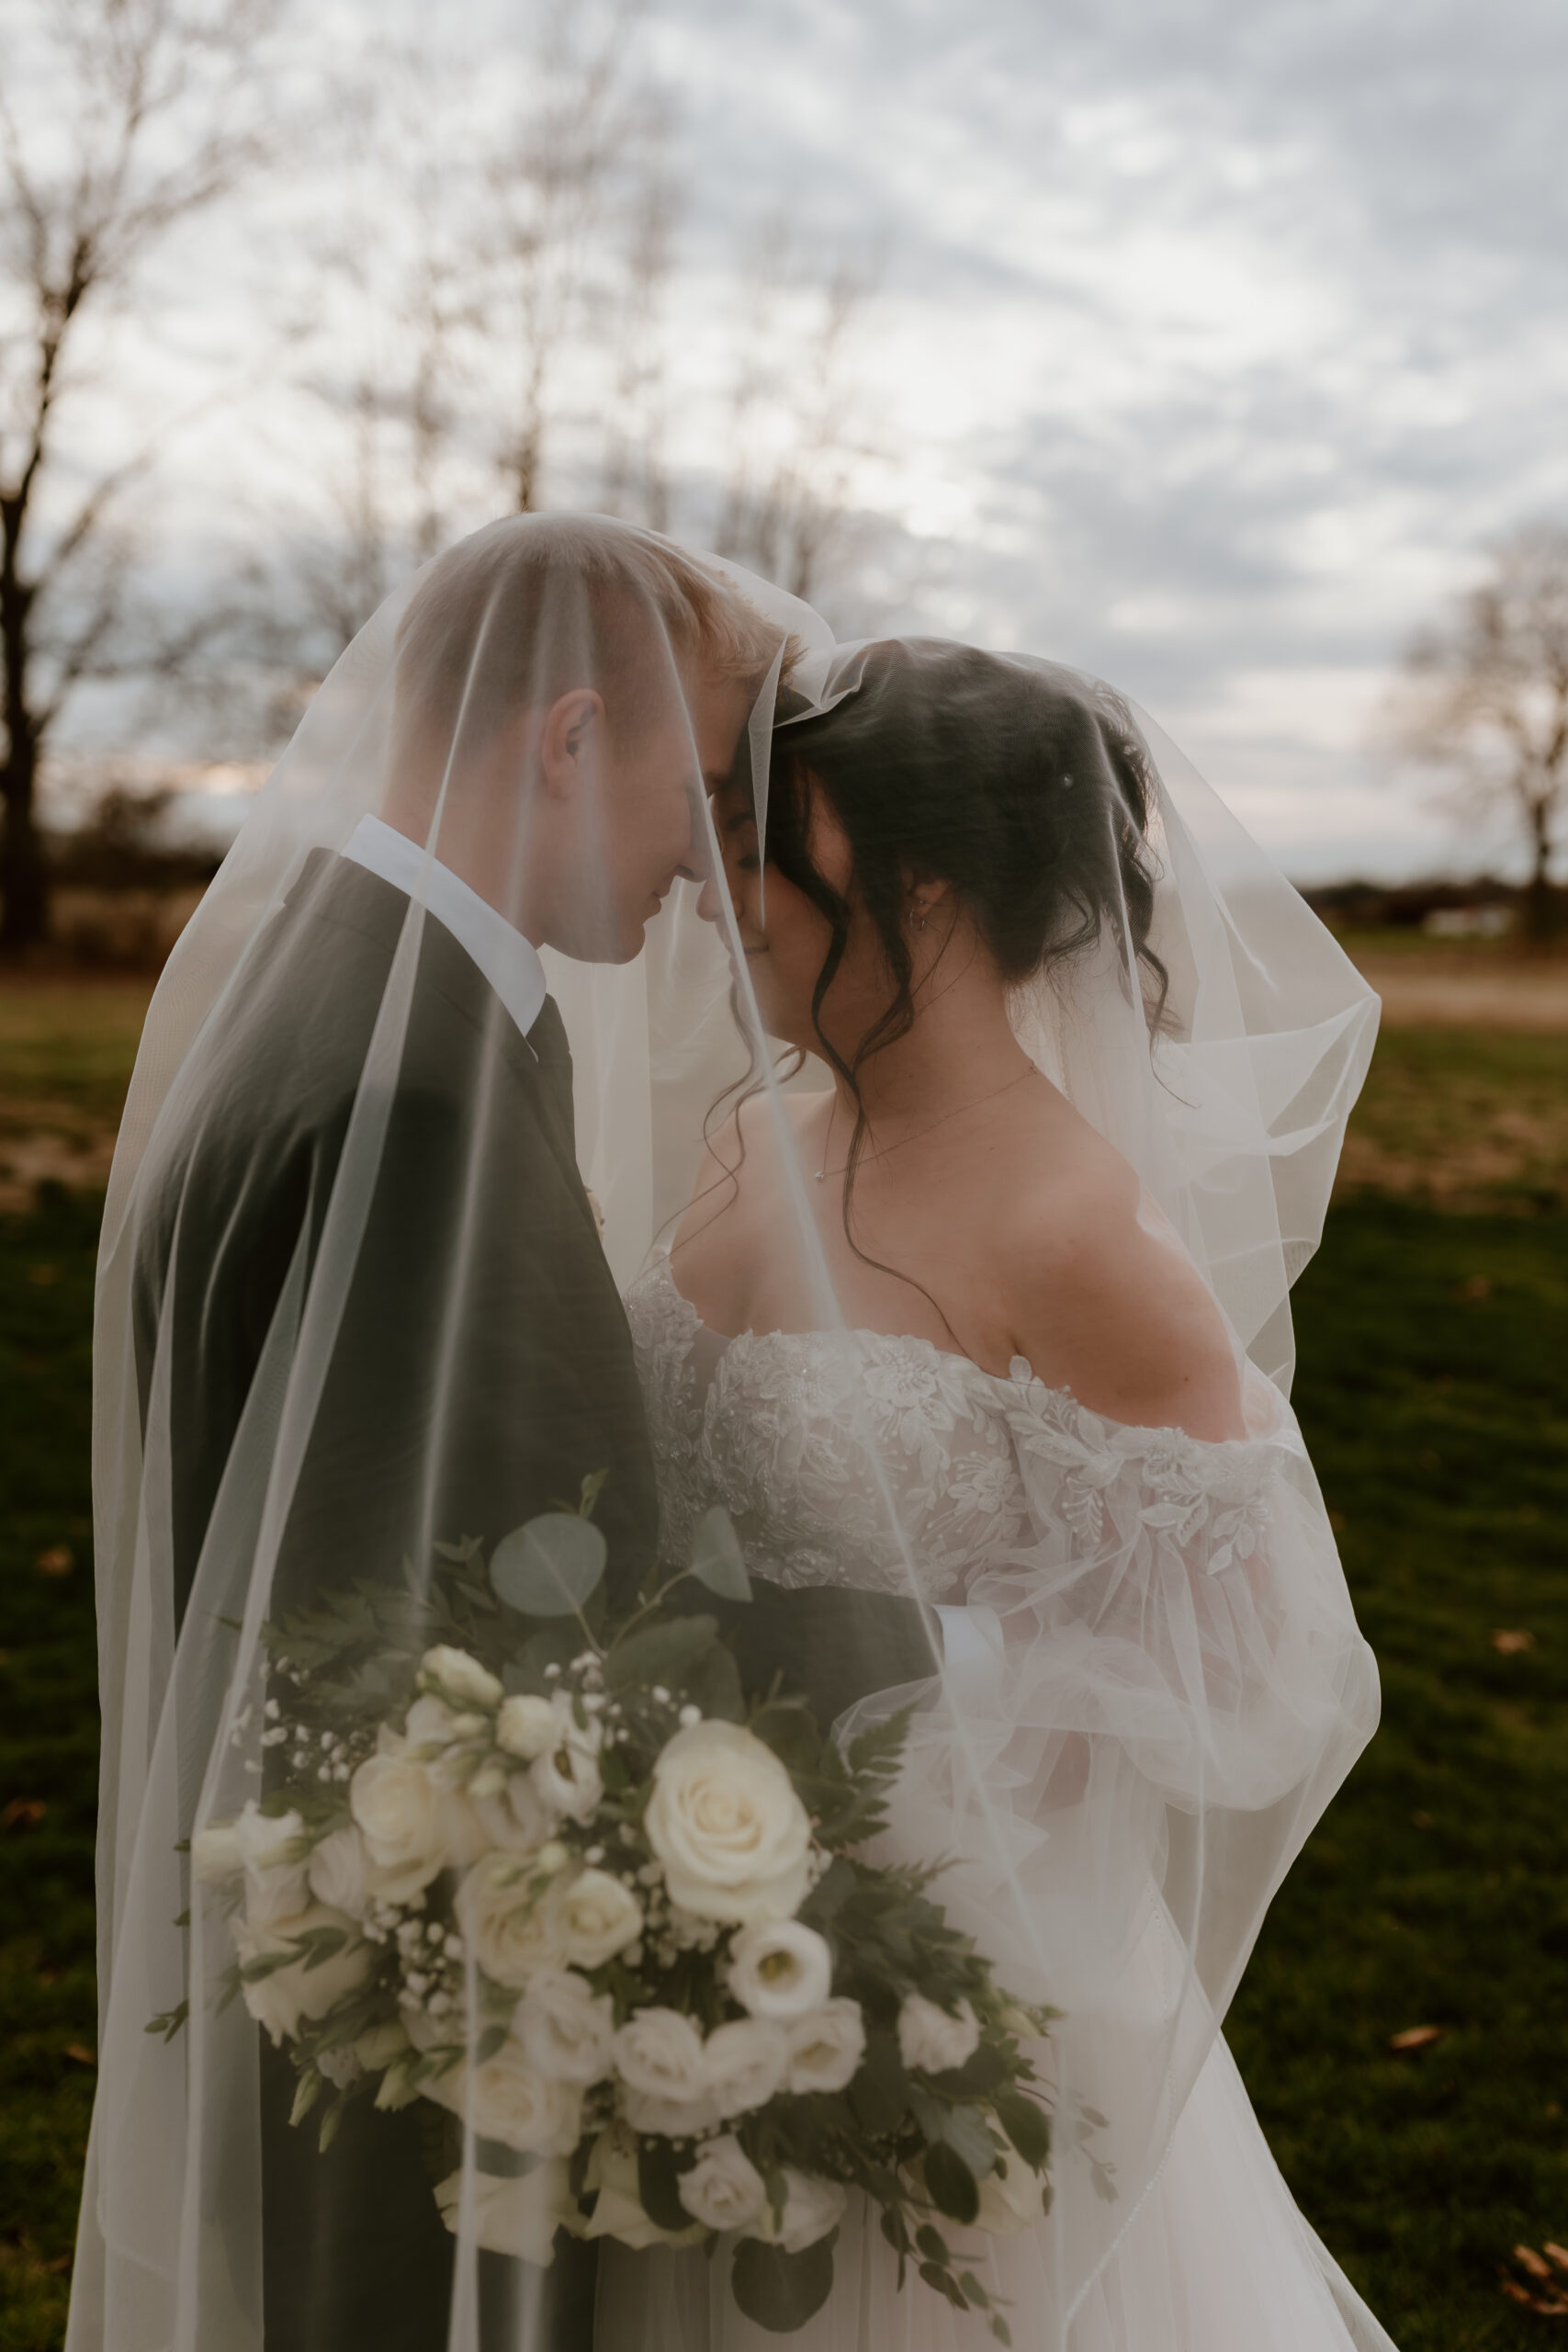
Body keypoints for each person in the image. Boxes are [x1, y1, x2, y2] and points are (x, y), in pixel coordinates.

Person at [73, 520, 933, 2352]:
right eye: (701, 790)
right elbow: (506, 1634)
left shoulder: (334, 970)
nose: (713, 866)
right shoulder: (422, 1087)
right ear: (562, 741)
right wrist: (920, 1637)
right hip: (412, 2001)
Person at [603, 638, 1397, 2348]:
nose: (723, 893)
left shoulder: (1072, 1228)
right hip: (671, 1906)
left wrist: (908, 1678)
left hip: (955, 1977)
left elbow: (1253, 1664)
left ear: (933, 886)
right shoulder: (755, 1137)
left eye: (769, 847)